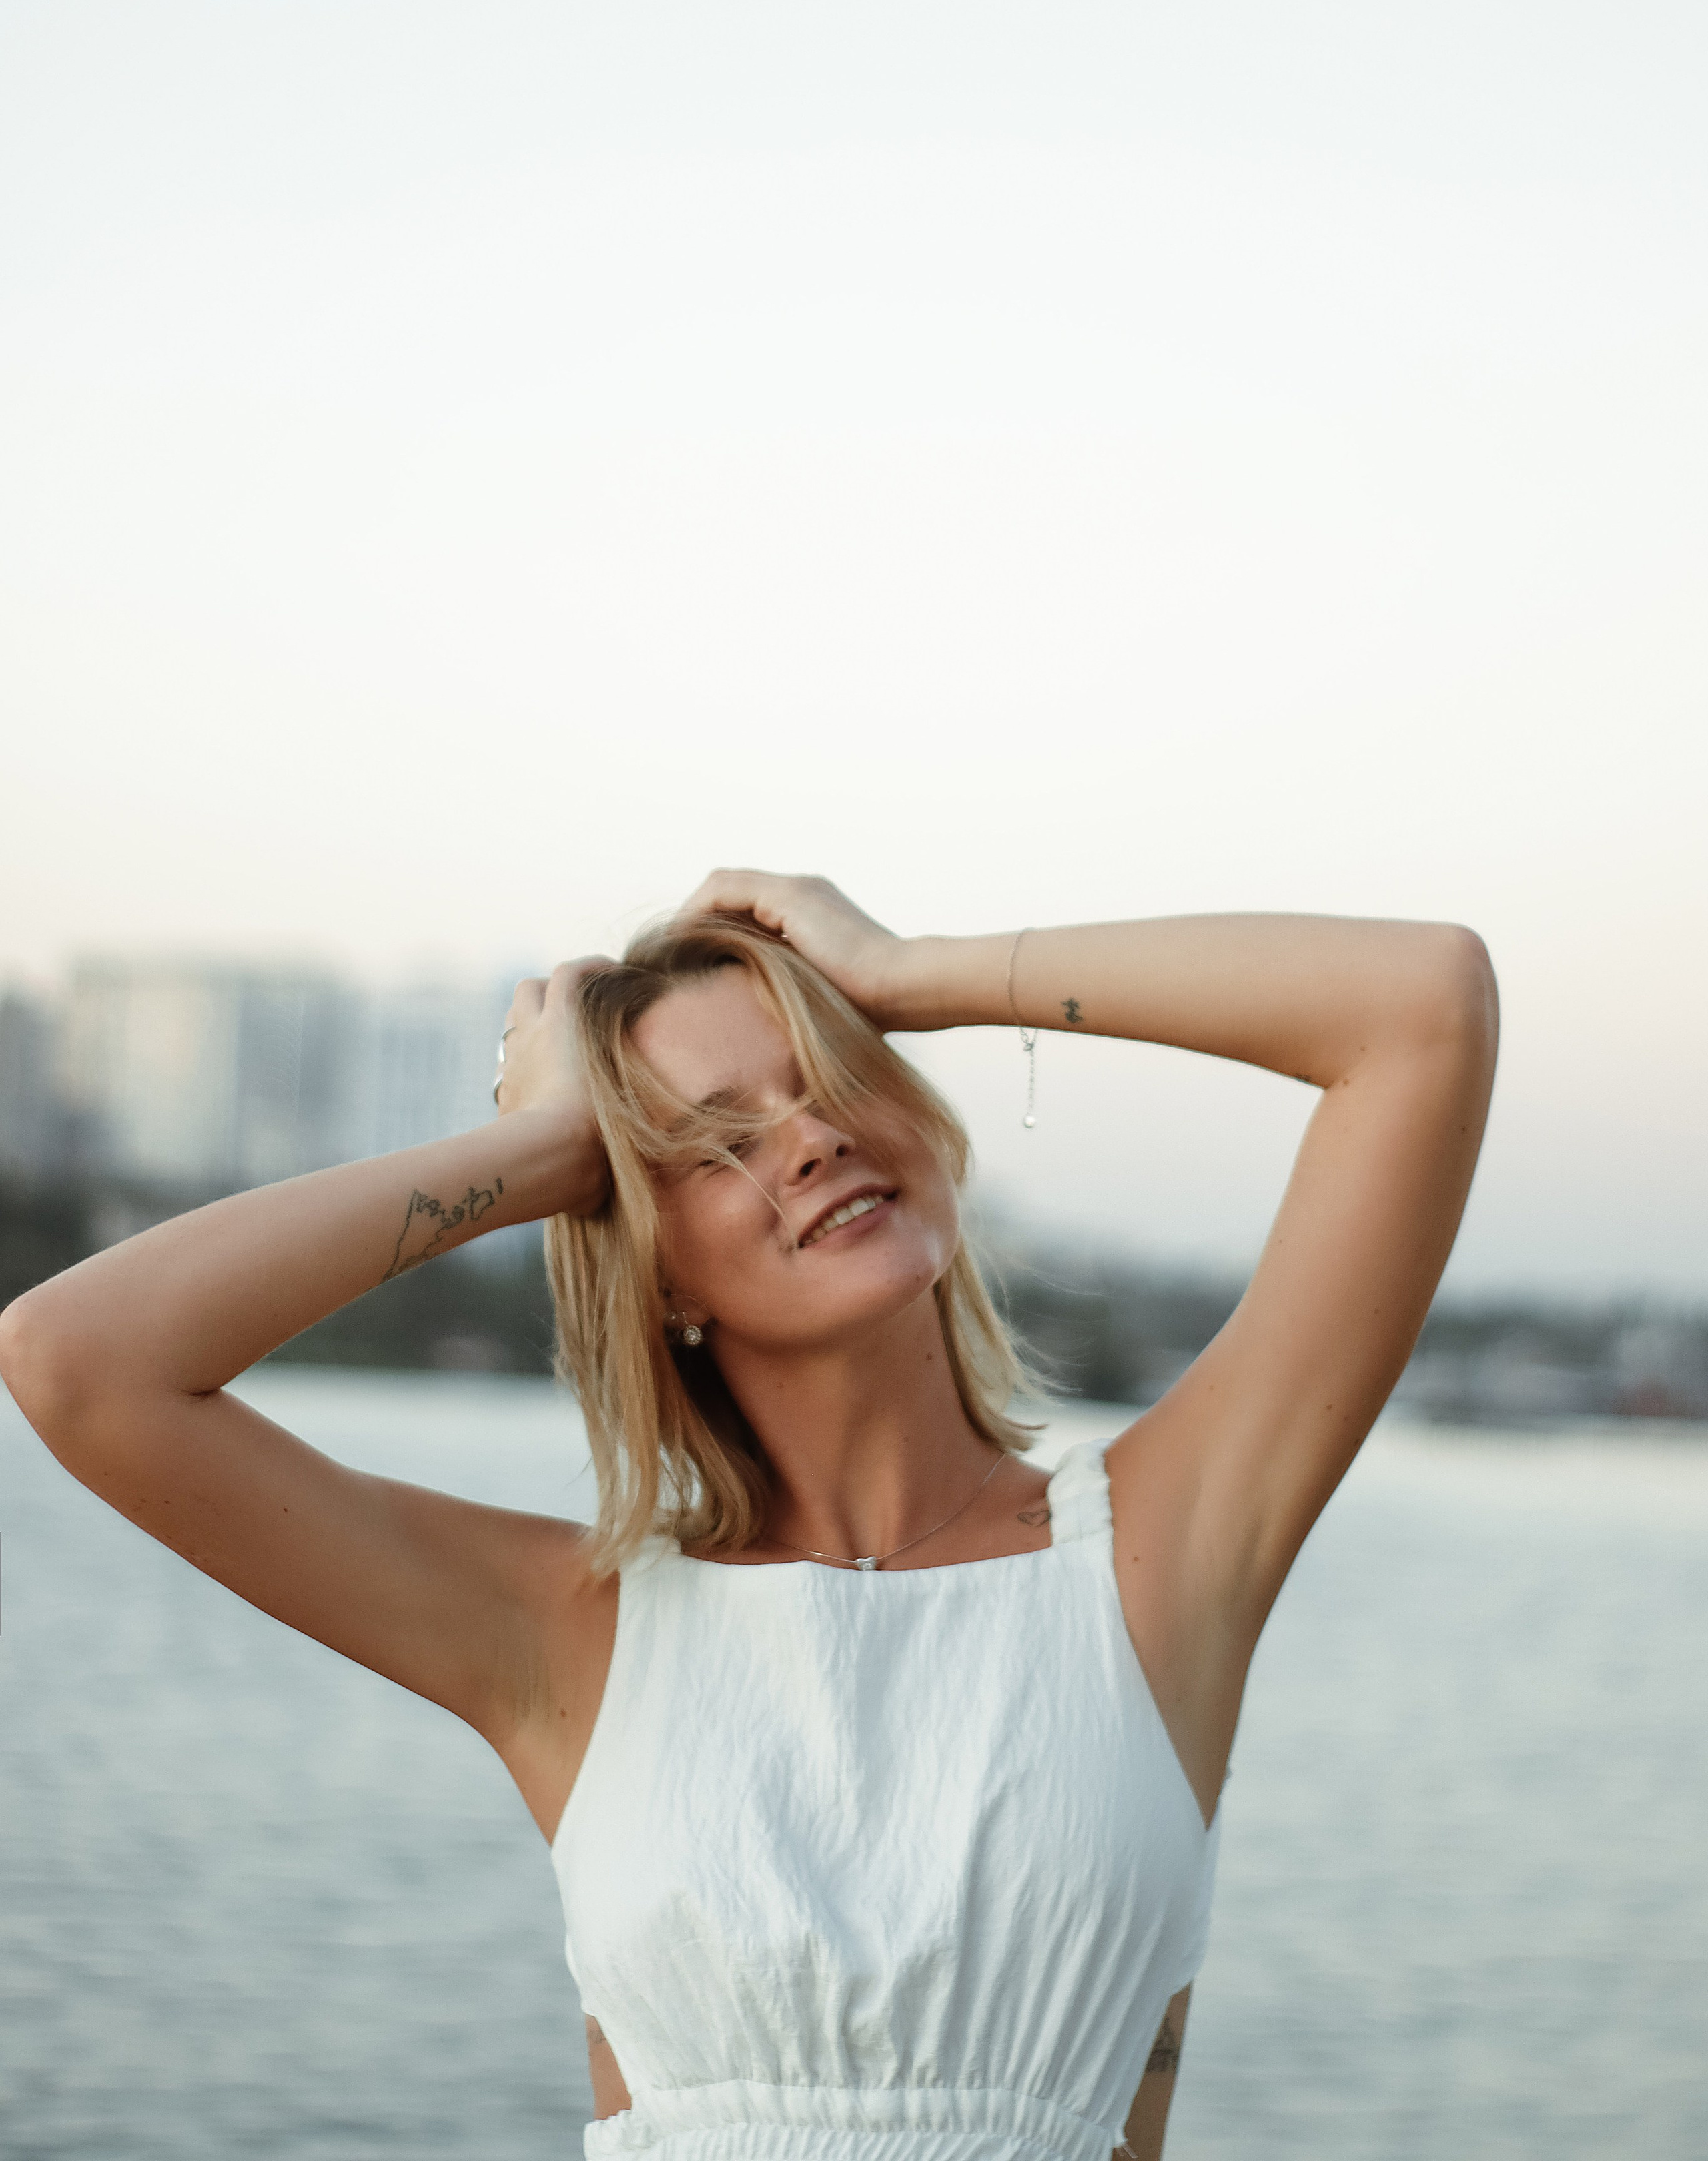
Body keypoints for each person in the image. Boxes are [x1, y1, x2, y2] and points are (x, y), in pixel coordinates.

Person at [0, 874, 1498, 2161]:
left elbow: (1418, 1008)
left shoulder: (1160, 1553)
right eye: (711, 1140)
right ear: (655, 1265)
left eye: (827, 1076)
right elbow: (80, 1362)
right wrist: (545, 1151)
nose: (806, 1137)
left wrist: (908, 973)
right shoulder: (563, 1633)